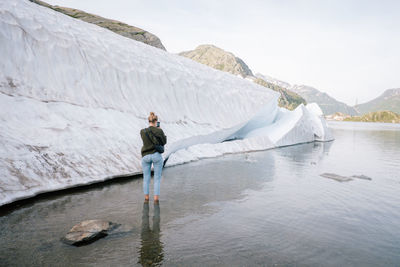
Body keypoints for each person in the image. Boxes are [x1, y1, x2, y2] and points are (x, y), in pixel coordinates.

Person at [140, 112, 167, 202]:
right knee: (157, 179)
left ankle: (146, 198)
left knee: (146, 179)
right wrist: (159, 130)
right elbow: (164, 142)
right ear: (156, 121)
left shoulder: (142, 131)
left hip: (145, 156)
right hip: (156, 155)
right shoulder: (158, 130)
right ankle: (156, 200)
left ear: (149, 121)